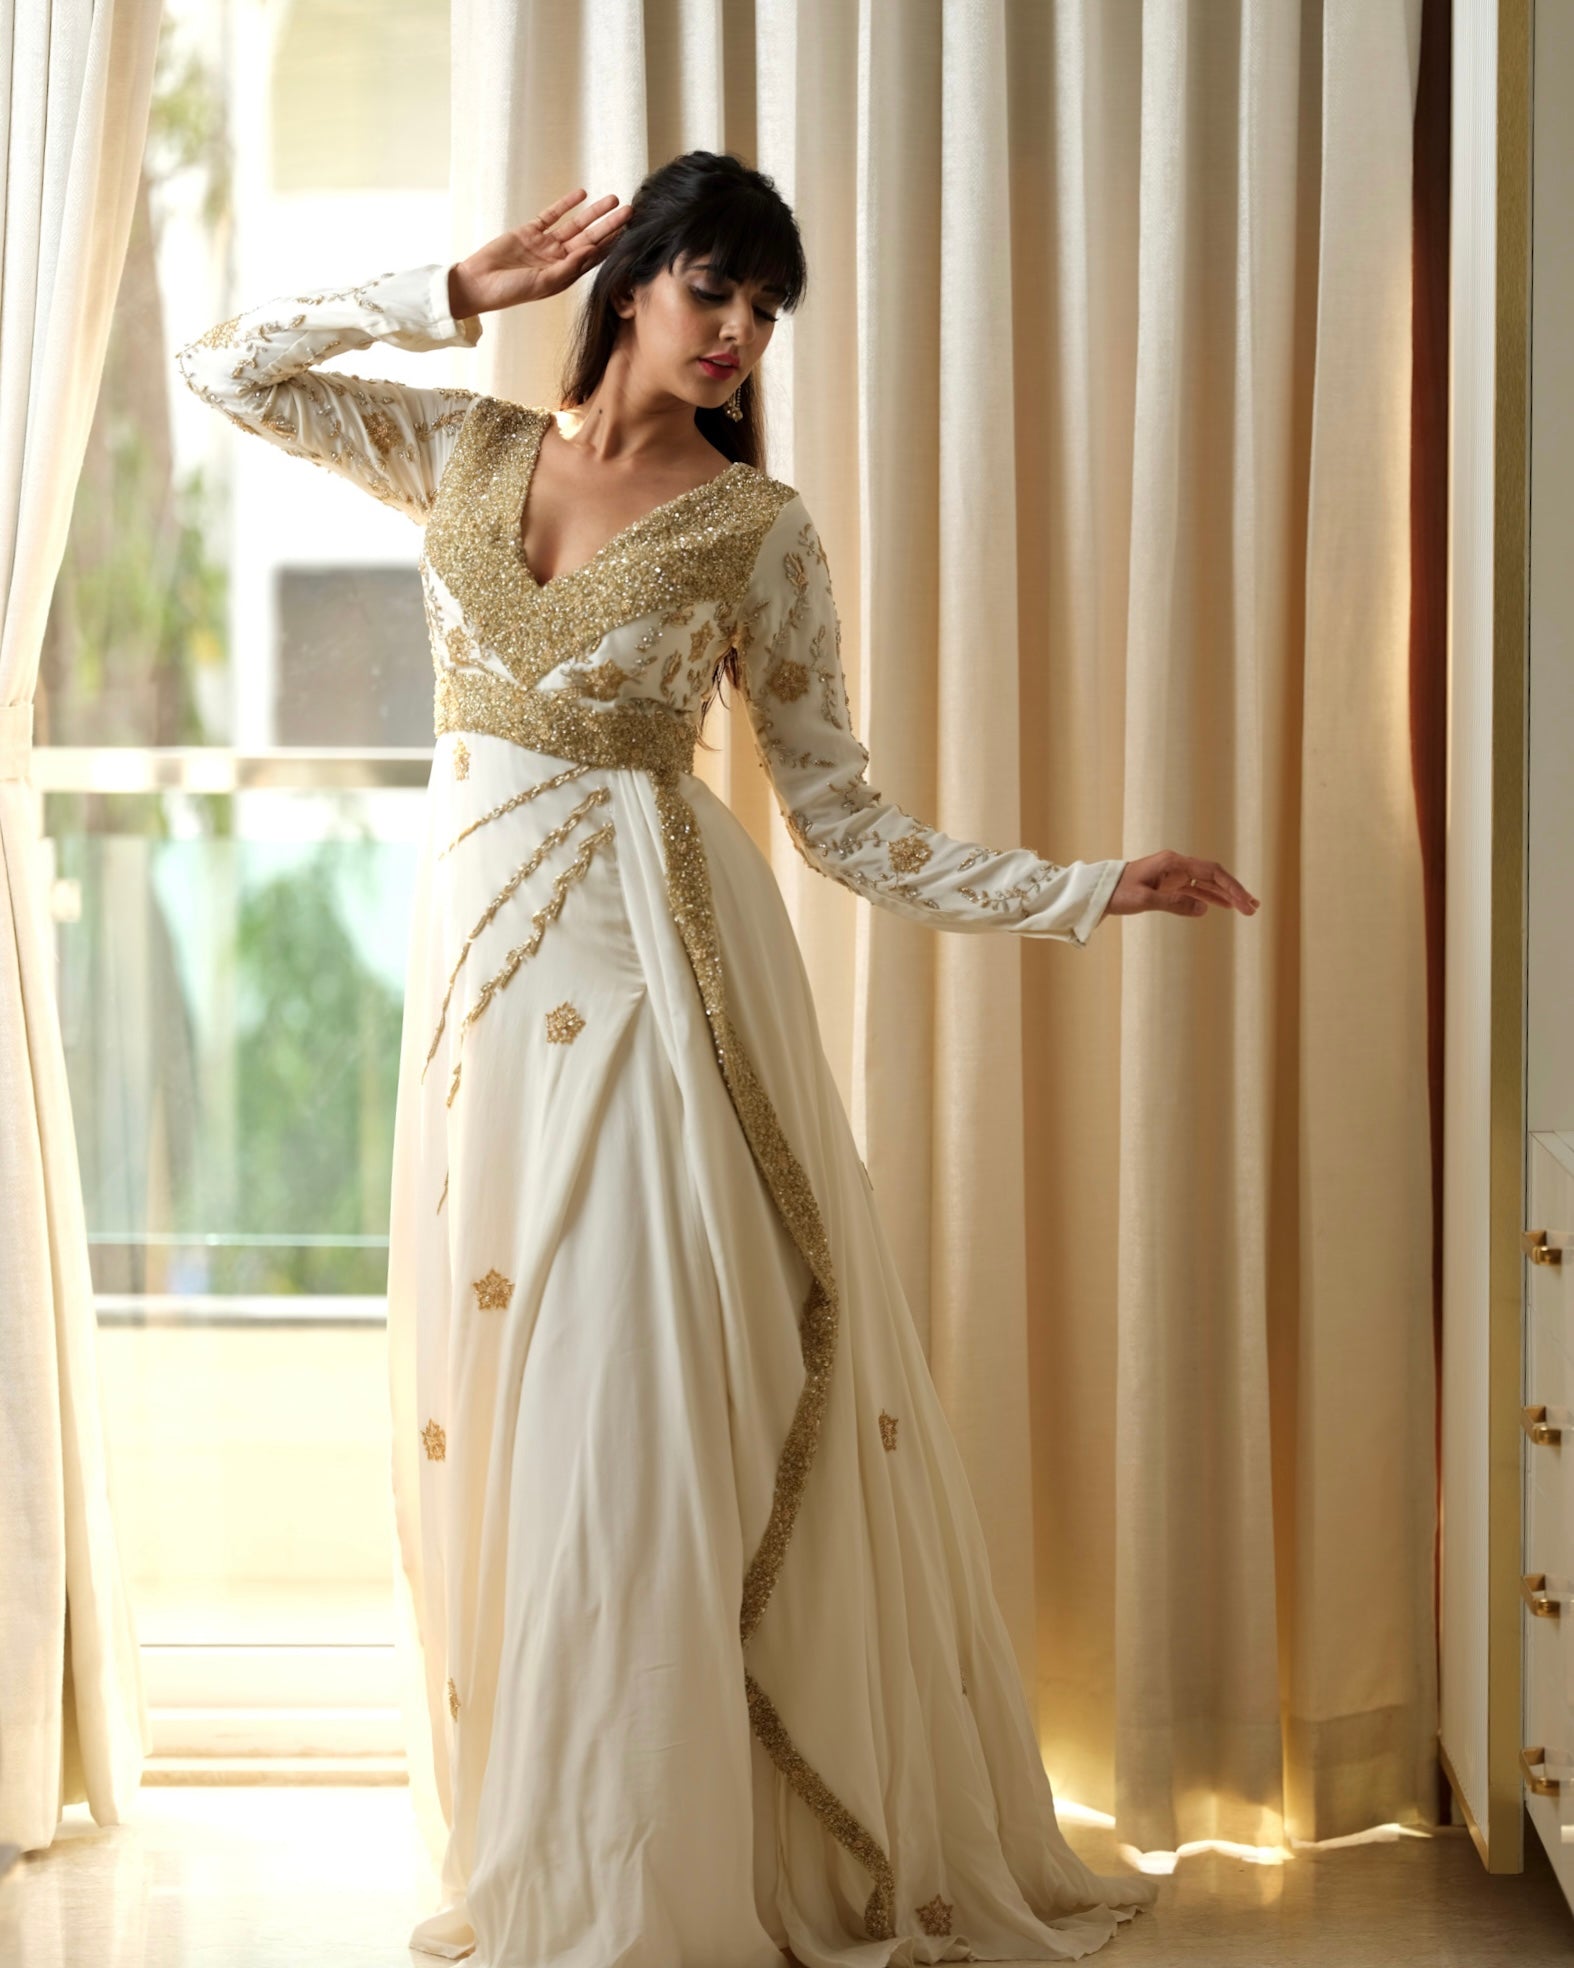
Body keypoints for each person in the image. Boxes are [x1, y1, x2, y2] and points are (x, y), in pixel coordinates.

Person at [176, 148, 1255, 1968]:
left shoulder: (757, 532)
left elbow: (842, 818)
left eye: (765, 313)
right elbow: (225, 367)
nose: (741, 335)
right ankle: (569, 1839)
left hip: (666, 1004)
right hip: (480, 1021)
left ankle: (669, 1873)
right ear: (631, 280)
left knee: (638, 1409)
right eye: (715, 292)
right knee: (512, 1420)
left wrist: (1086, 891)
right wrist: (453, 289)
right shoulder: (462, 453)